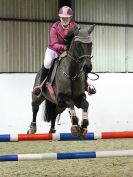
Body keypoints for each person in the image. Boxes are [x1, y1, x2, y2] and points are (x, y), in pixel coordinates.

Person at [35, 6, 96, 95]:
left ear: (70, 18)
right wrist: (65, 48)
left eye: (67, 18)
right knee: (47, 63)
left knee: (80, 62)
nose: (65, 20)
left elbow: (77, 39)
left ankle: (87, 85)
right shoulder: (54, 28)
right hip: (54, 50)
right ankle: (40, 86)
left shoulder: (74, 26)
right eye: (63, 18)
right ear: (60, 18)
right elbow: (55, 44)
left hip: (67, 51)